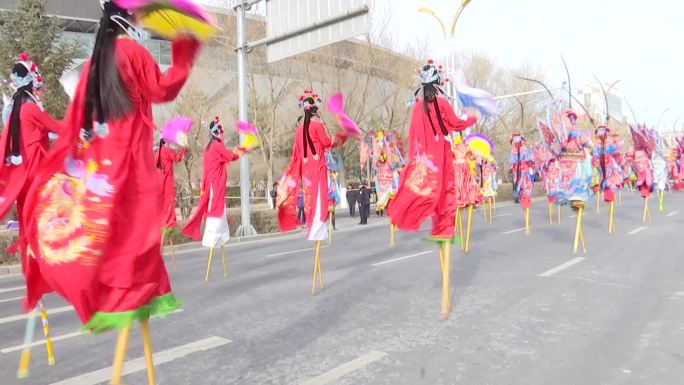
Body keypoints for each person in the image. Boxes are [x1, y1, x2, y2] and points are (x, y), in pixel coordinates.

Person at [22, 0, 201, 335]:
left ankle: (114, 297)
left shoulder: (93, 62)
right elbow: (161, 89)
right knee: (136, 234)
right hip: (129, 161)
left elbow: (75, 121)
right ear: (127, 15)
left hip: (99, 166)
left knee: (113, 235)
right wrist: (185, 49)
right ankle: (128, 297)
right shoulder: (131, 52)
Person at [0, 53, 63, 300]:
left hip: (24, 178)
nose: (41, 89)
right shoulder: (29, 109)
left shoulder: (15, 111)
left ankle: (34, 276)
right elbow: (56, 127)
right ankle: (45, 275)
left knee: (29, 228)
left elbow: (48, 133)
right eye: (39, 84)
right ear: (32, 83)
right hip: (37, 176)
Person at [182, 117, 245, 248]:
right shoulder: (216, 146)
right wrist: (242, 149)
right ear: (216, 133)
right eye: (221, 131)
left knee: (215, 208)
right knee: (216, 208)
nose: (222, 134)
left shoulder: (209, 147)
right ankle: (214, 237)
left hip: (212, 183)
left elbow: (226, 156)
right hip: (215, 183)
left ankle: (216, 236)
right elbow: (229, 156)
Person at [156, 138, 186, 234]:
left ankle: (163, 225)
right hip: (167, 181)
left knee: (163, 205)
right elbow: (176, 158)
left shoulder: (157, 153)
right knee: (169, 203)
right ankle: (168, 226)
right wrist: (183, 149)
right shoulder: (166, 150)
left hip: (160, 182)